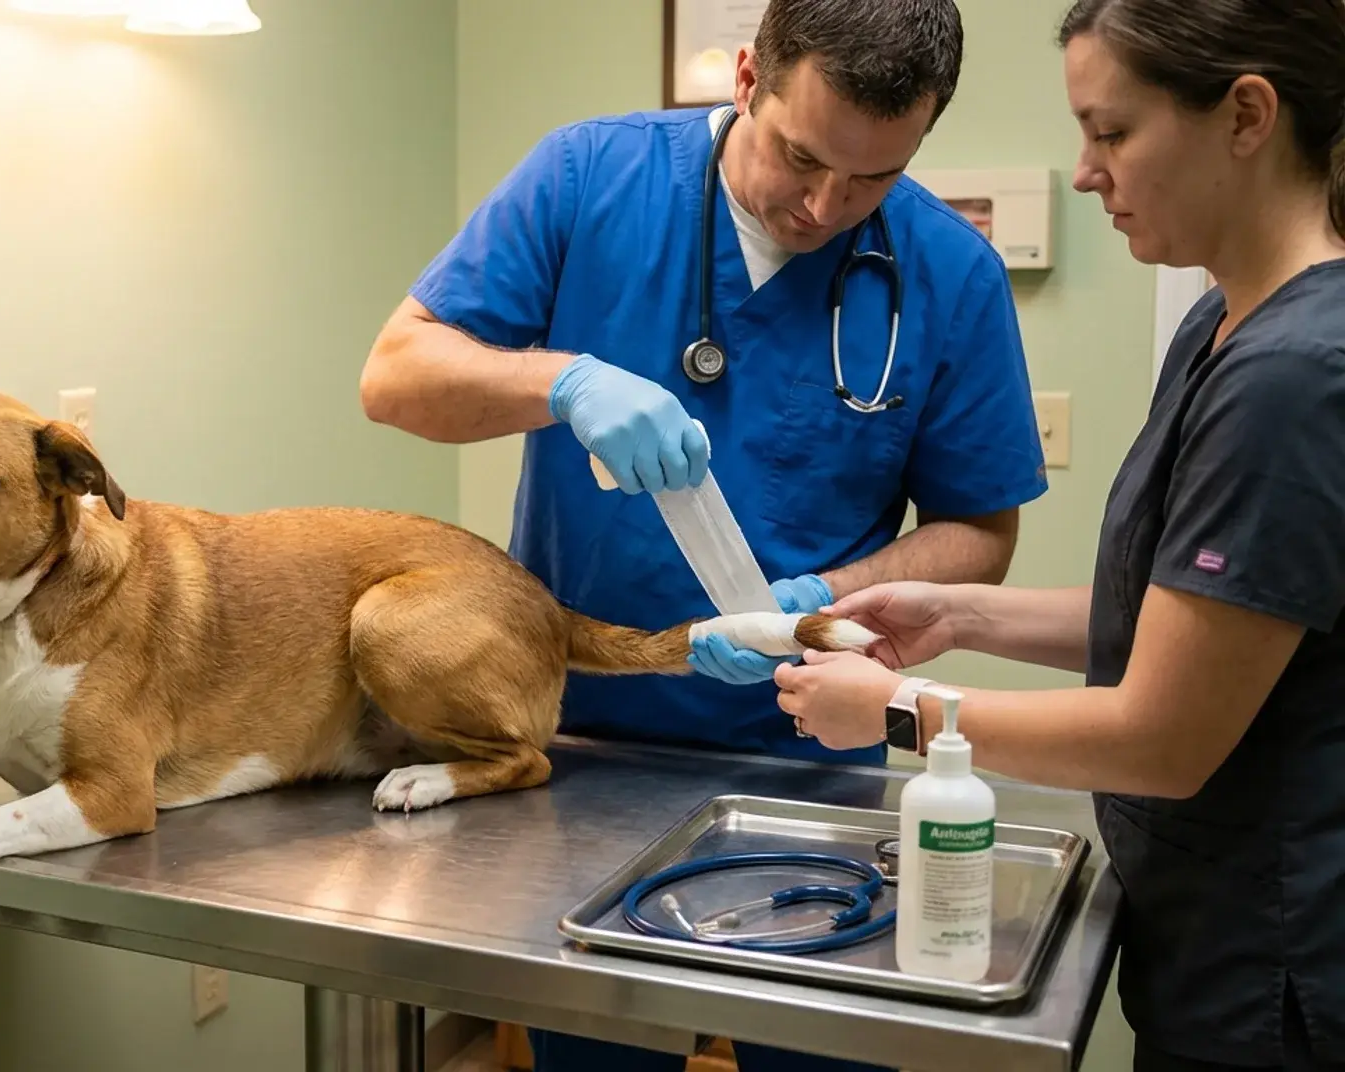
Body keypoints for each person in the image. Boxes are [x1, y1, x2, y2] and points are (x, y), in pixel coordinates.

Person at [359, 0, 1049, 1067]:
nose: (825, 206)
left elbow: (977, 534)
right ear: (744, 79)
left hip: (816, 761)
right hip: (584, 751)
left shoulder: (949, 275)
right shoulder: (590, 179)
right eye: (801, 156)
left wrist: (828, 598)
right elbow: (396, 377)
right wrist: (563, 380)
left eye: (872, 179)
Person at [775, 1, 1345, 1068]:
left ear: (1247, 115)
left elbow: (1162, 738)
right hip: (1205, 933)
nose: (1086, 171)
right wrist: (956, 613)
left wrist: (898, 713)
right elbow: (1183, 620)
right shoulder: (1222, 326)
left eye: (1112, 132)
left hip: (1280, 972)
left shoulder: (1295, 376)